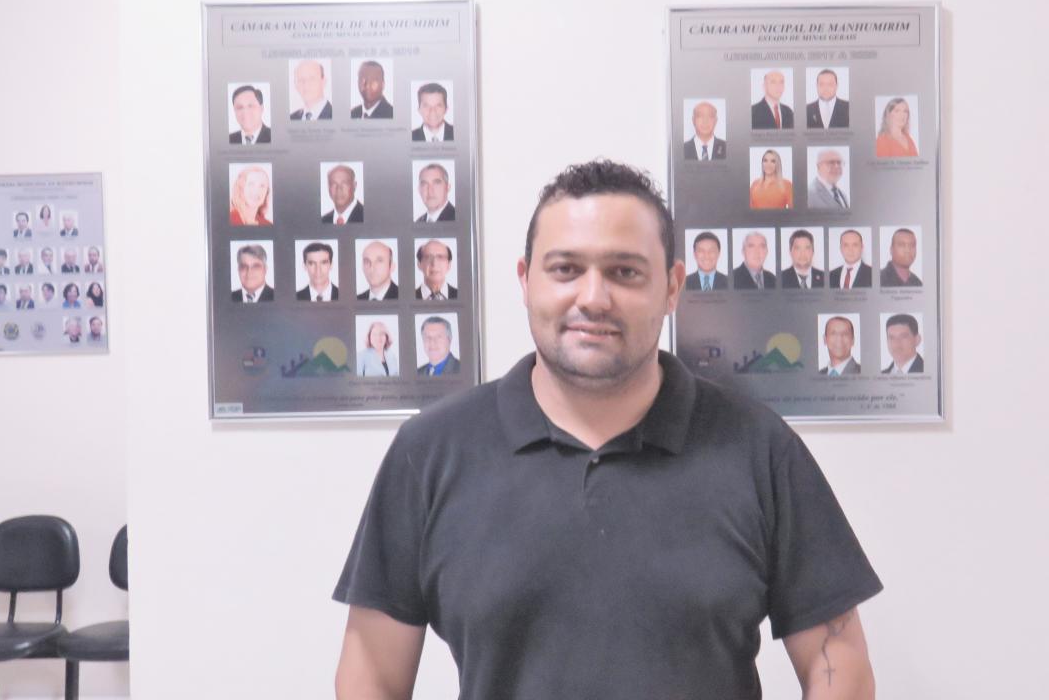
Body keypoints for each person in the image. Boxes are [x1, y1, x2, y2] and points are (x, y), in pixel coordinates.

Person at [333, 160, 880, 700]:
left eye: (625, 272)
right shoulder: (431, 453)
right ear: (525, 280)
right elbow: (371, 679)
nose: (593, 298)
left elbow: (840, 671)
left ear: (672, 287)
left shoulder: (759, 449)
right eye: (566, 269)